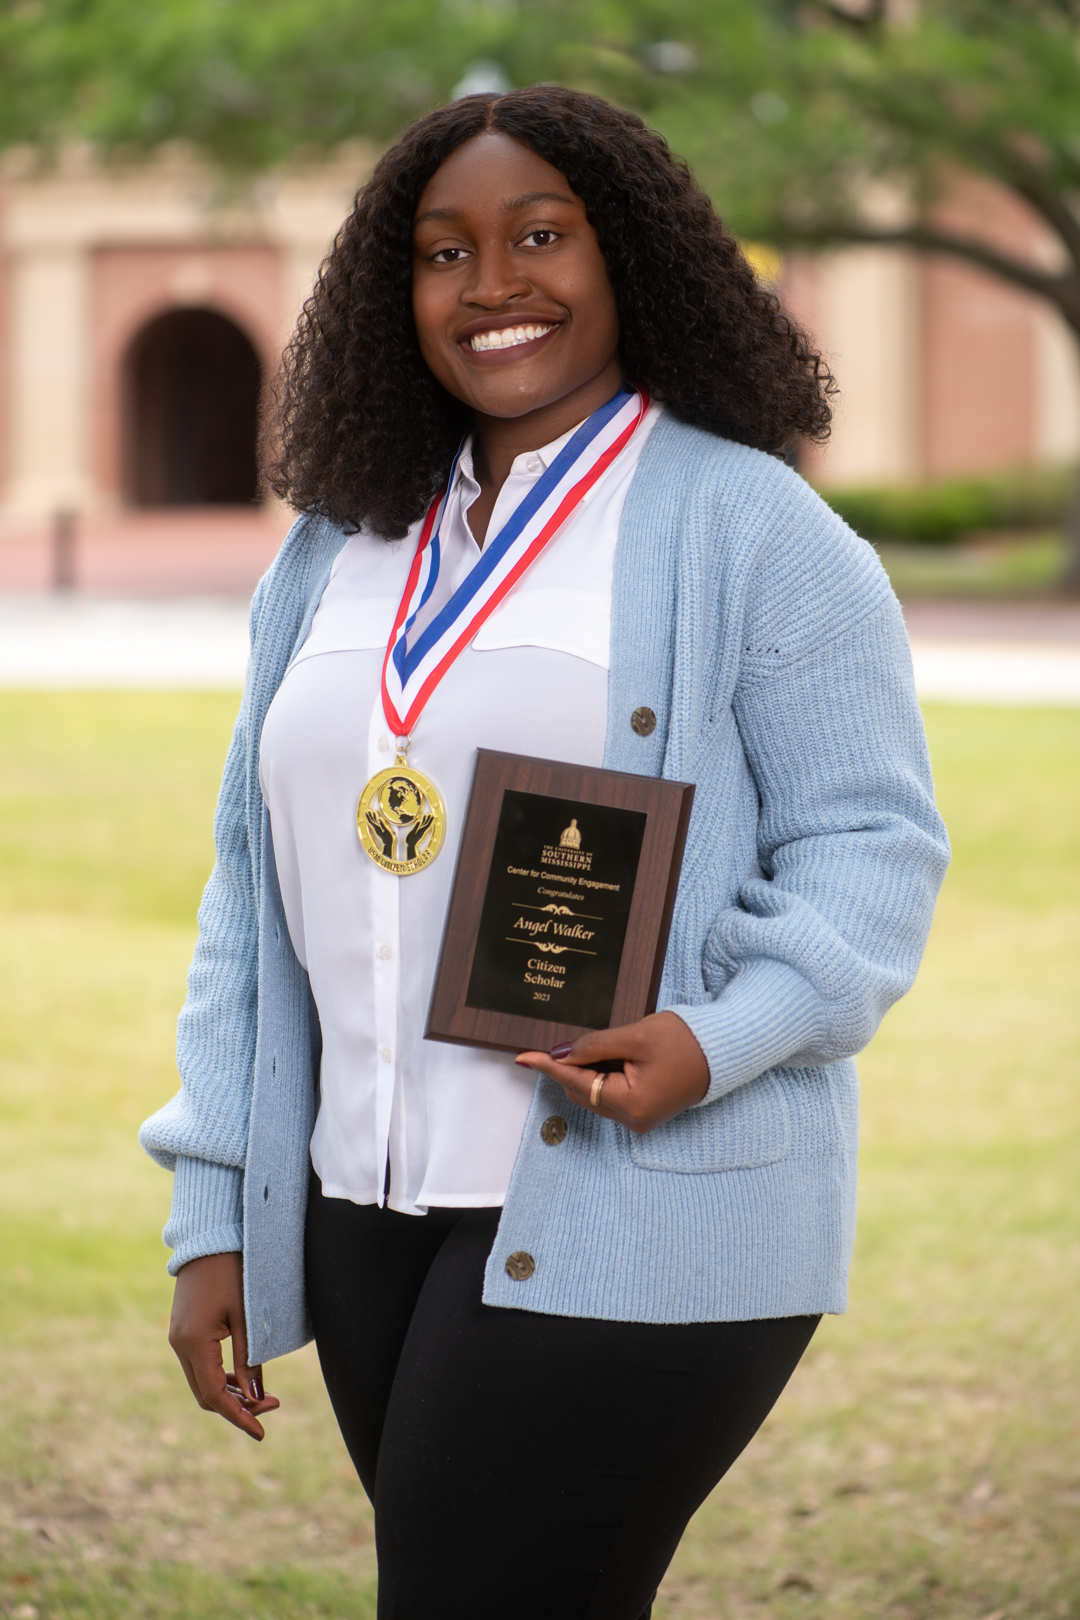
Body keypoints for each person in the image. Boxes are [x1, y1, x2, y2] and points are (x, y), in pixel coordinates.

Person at [140, 85, 949, 1620]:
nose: (492, 283)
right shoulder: (337, 542)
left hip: (637, 1203)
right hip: (365, 1215)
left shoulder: (750, 528)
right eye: (445, 253)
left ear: (627, 255)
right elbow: (252, 897)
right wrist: (213, 1216)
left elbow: (872, 844)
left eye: (538, 236)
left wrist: (721, 1038)